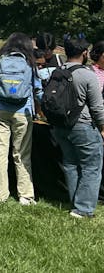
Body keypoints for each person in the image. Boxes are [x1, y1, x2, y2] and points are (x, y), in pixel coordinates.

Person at [0, 32, 41, 205]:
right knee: (22, 153)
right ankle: (26, 195)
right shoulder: (29, 61)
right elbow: (36, 88)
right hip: (23, 111)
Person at [53, 38, 104, 218]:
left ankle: (76, 202)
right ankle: (83, 209)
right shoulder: (87, 74)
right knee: (92, 167)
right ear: (85, 53)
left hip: (60, 125)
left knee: (71, 164)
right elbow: (97, 106)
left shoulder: (57, 71)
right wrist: (102, 127)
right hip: (82, 125)